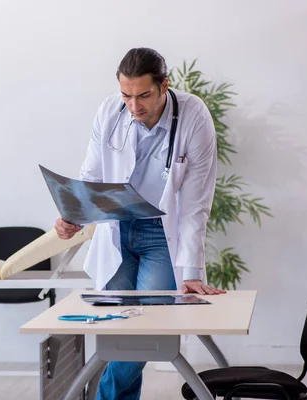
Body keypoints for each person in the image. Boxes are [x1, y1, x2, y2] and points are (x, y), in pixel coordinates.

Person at [54, 47, 227, 400]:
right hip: (116, 227)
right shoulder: (109, 111)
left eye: (144, 95)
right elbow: (93, 175)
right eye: (127, 96)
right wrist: (73, 216)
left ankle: (102, 396)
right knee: (120, 326)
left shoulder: (193, 116)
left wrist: (191, 270)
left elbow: (196, 201)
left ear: (165, 85)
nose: (134, 106)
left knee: (150, 327)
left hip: (161, 235)